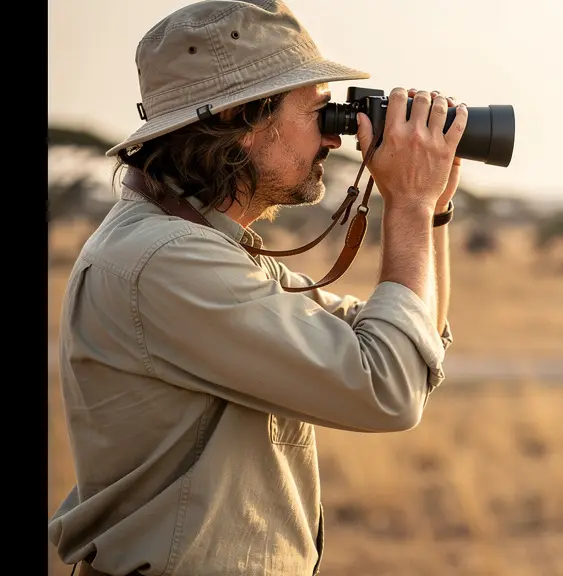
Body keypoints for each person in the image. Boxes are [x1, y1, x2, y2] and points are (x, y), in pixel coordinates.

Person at [47, 1, 468, 575]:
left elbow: (408, 346)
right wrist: (411, 205)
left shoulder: (200, 246)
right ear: (241, 122)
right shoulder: (169, 261)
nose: (335, 140)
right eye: (318, 113)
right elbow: (387, 388)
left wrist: (433, 208)